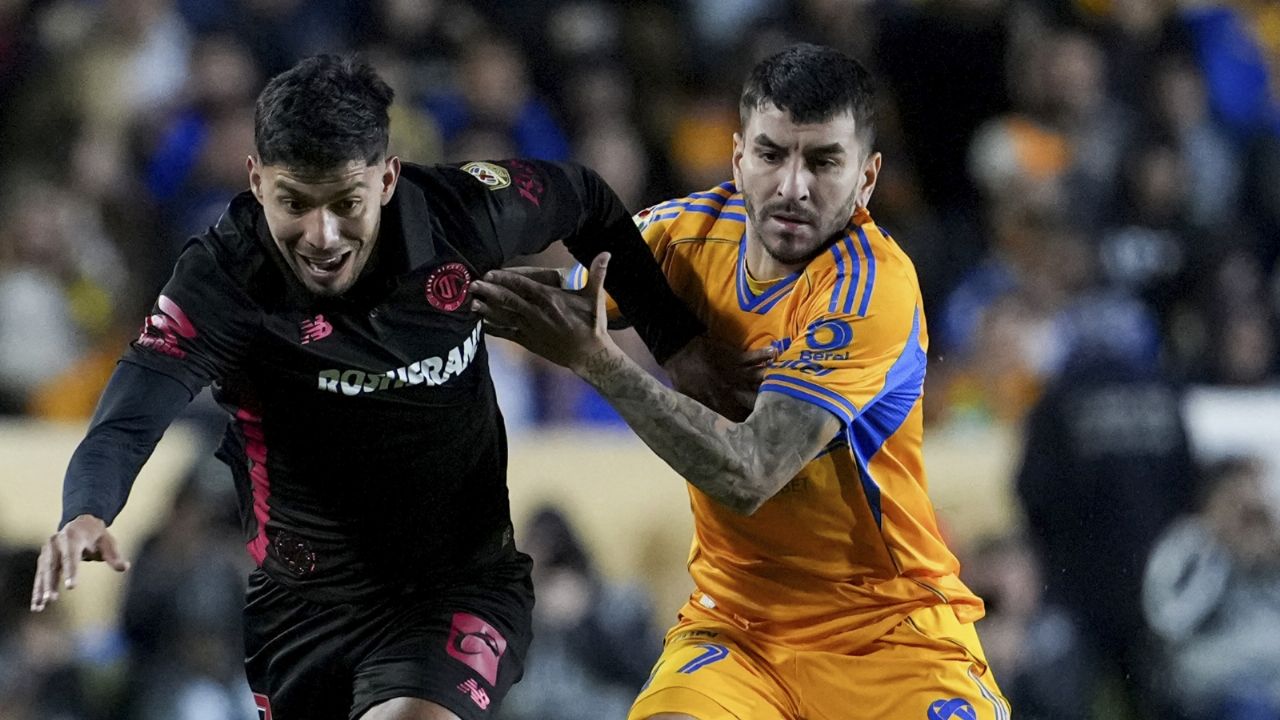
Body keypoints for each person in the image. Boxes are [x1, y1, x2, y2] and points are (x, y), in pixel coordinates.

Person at [28, 54, 706, 720]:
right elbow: (135, 405)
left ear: (387, 178)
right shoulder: (223, 278)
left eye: (345, 203)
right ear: (256, 179)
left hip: (459, 584)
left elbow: (584, 197)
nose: (322, 236)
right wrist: (86, 509)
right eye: (294, 203)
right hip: (302, 607)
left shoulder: (462, 212)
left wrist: (675, 341)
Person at [471, 43, 1010, 720]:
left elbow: (751, 473)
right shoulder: (682, 236)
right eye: (771, 154)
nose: (792, 186)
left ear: (867, 178)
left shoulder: (870, 288)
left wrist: (600, 362)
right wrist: (393, 278)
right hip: (737, 630)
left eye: (824, 162)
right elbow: (542, 304)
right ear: (737, 157)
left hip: (887, 633)